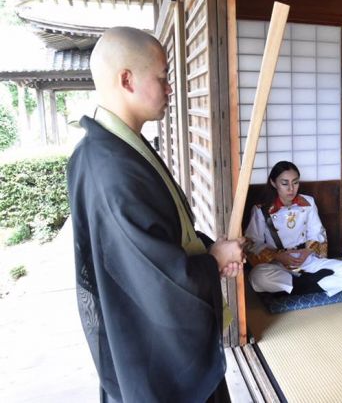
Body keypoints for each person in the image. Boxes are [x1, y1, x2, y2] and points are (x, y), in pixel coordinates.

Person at [67, 27, 245, 402]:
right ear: (127, 80)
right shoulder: (111, 167)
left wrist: (213, 249)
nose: (170, 89)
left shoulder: (111, 151)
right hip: (155, 351)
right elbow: (157, 275)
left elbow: (165, 235)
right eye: (163, 78)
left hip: (144, 337)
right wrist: (212, 263)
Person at [245, 161, 342, 296]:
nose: (291, 189)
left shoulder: (308, 202)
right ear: (273, 183)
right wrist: (277, 256)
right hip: (278, 263)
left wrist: (308, 251)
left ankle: (293, 287)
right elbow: (253, 242)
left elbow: (317, 232)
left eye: (295, 182)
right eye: (284, 183)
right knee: (257, 277)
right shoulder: (261, 209)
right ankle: (312, 284)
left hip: (306, 259)